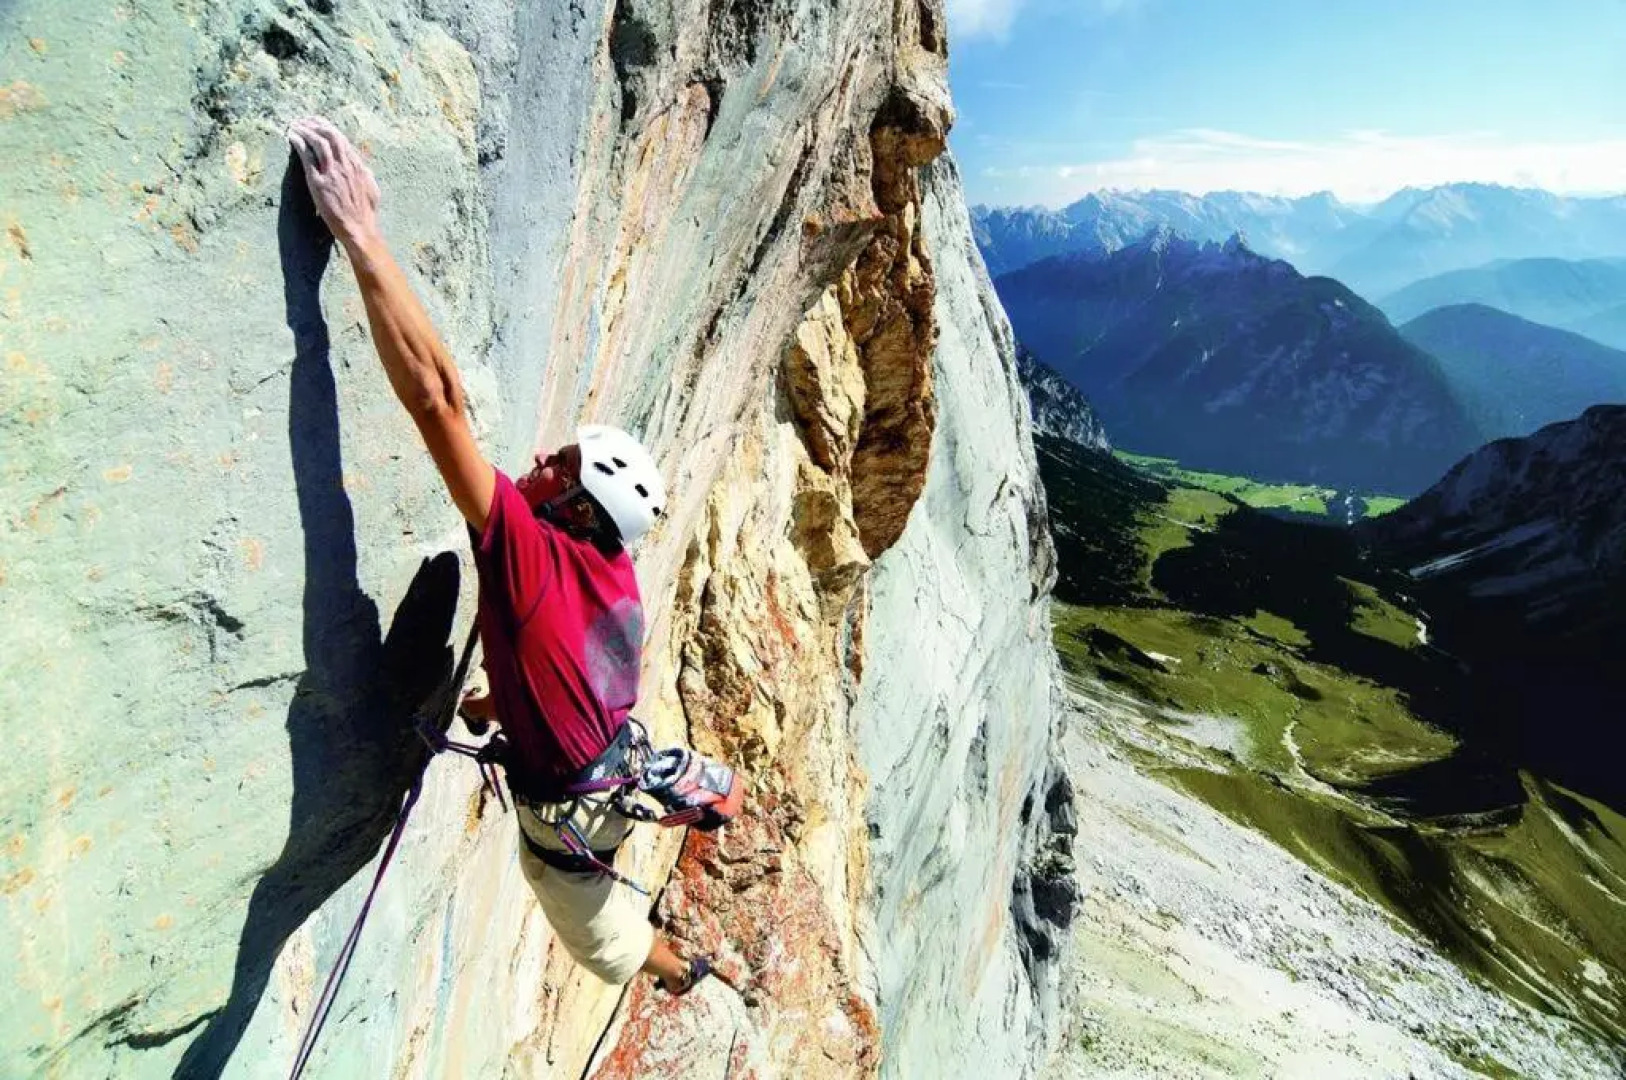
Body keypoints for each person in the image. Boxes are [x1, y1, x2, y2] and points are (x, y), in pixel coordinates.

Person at [286, 115, 709, 995]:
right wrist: (501, 698)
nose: (542, 459)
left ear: (579, 507)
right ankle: (669, 950)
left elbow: (438, 399)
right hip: (601, 767)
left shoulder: (530, 554)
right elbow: (568, 663)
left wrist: (360, 235)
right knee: (606, 888)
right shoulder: (607, 567)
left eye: (562, 465)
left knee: (605, 944)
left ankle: (676, 970)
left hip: (571, 824)